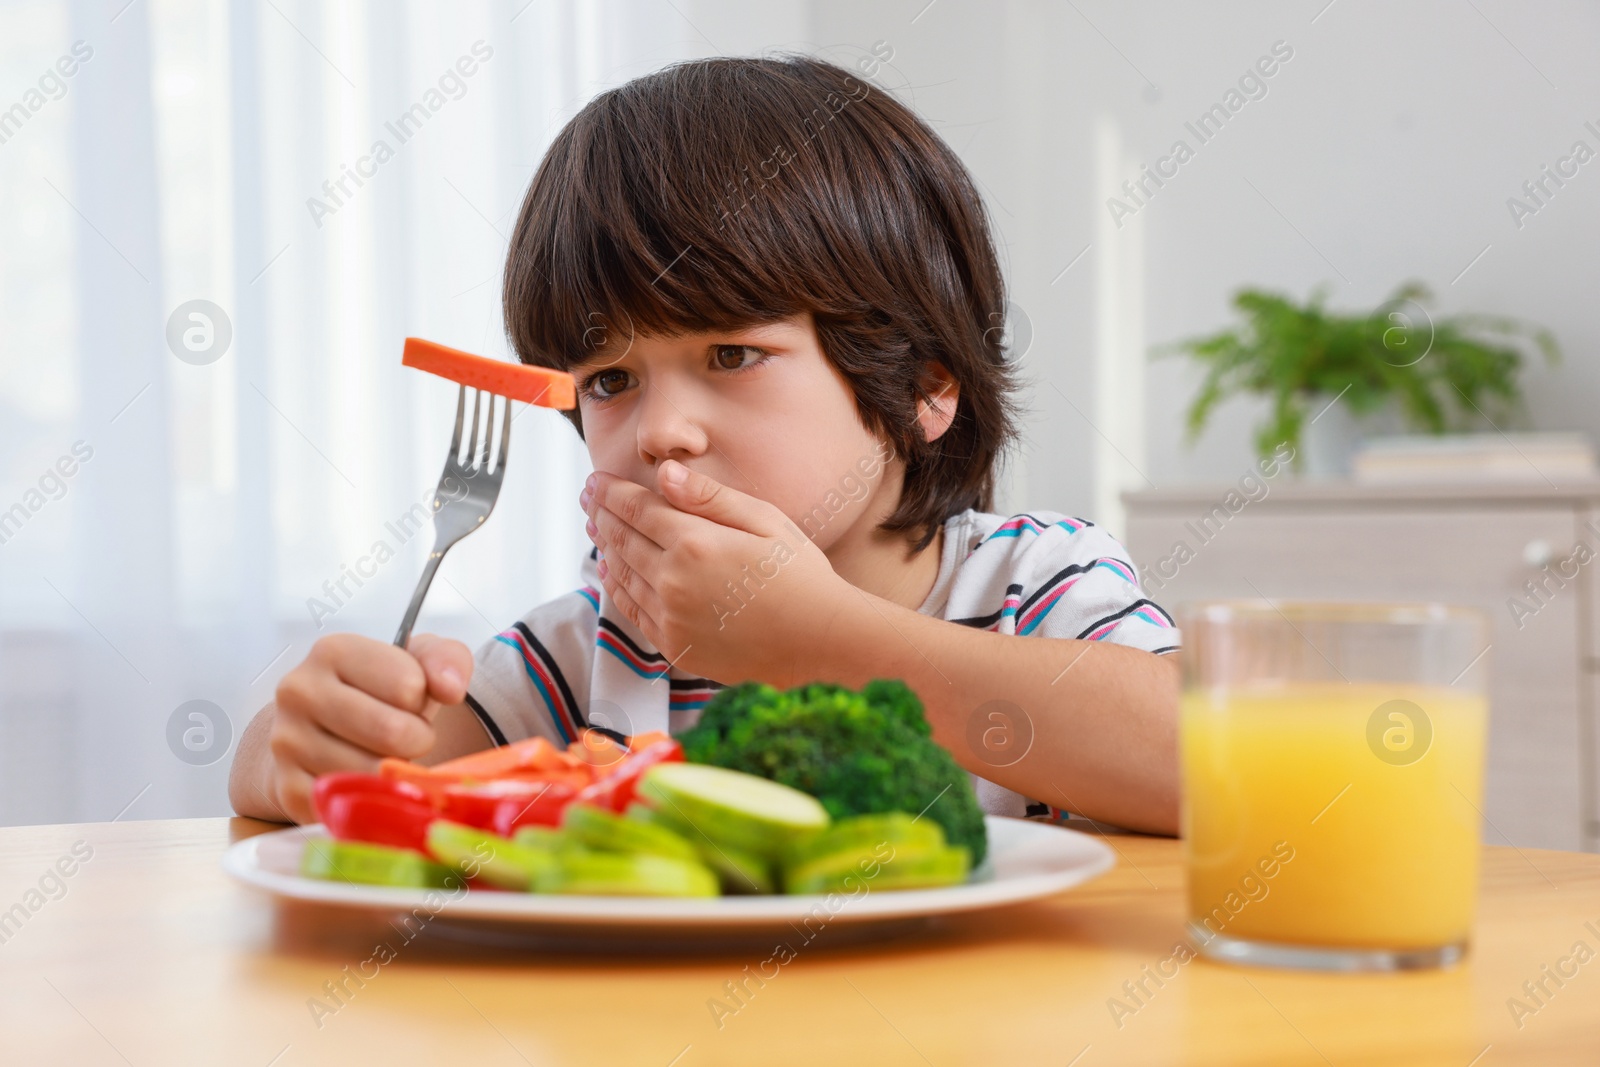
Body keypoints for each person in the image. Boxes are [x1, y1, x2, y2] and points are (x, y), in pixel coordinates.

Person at [229, 54, 1180, 835]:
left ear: (926, 384)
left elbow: (1214, 764)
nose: (659, 432)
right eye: (610, 380)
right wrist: (305, 745)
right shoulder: (596, 649)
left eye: (732, 353)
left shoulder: (1036, 587)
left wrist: (819, 638)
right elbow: (355, 771)